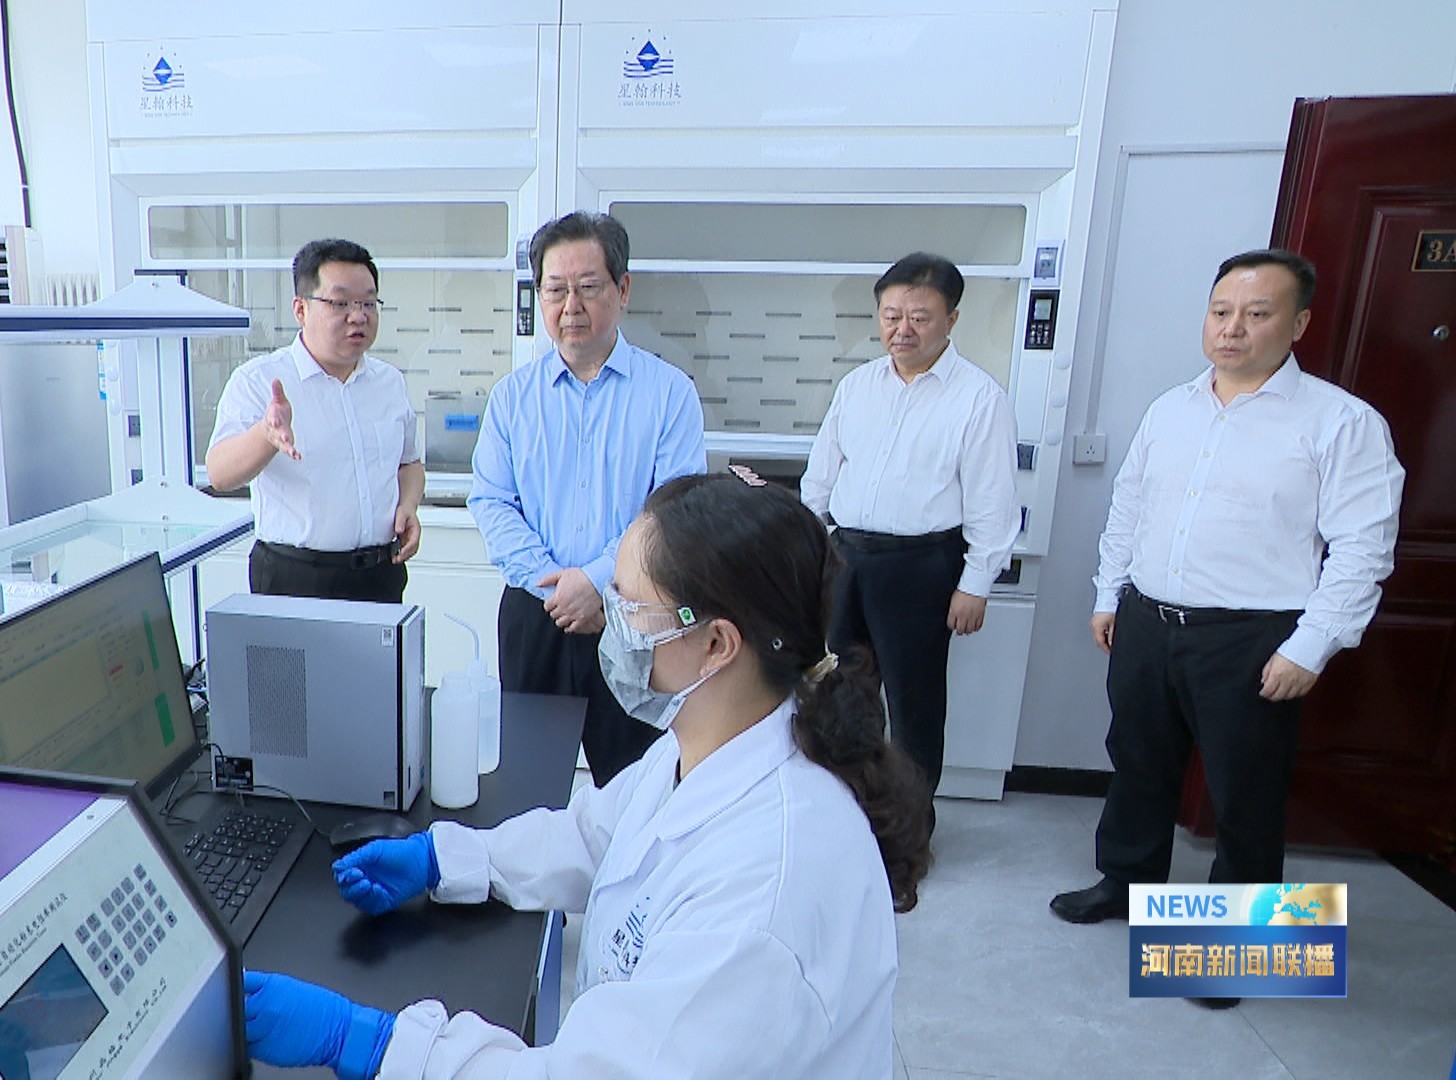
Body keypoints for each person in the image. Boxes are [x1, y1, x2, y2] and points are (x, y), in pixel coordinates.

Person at [241, 469, 933, 1078]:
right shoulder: (710, 742)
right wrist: (447, 857)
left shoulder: (764, 894)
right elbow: (595, 834)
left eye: (628, 605)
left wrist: (373, 1044)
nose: (610, 622)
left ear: (716, 643)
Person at [1050, 250, 1404, 1008]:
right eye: (1220, 312)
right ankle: (1125, 882)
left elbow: (1364, 549)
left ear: (1298, 324)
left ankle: (1233, 955)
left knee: (1246, 793)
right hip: (1148, 618)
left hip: (1253, 637)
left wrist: (1312, 646)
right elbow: (1130, 506)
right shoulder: (1170, 409)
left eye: (1256, 313)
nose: (1232, 328)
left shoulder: (1341, 423)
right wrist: (1109, 594)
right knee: (1138, 763)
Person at [469, 211, 706, 786]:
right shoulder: (512, 398)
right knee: (526, 784)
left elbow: (671, 511)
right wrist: (558, 588)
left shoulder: (669, 394)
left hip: (632, 614)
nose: (570, 306)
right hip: (535, 612)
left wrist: (598, 581)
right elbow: (492, 502)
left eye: (588, 287)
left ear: (622, 290)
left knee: (637, 786)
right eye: (555, 290)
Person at [799, 252, 1020, 804]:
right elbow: (821, 477)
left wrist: (975, 584)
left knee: (913, 703)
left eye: (919, 317)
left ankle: (911, 825)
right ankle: (844, 811)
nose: (902, 329)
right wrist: (812, 548)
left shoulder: (979, 398)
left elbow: (993, 503)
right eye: (891, 316)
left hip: (922, 566)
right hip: (846, 559)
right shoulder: (858, 386)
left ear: (952, 319)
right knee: (840, 693)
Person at [206, 238, 423, 603]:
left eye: (369, 303)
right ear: (301, 309)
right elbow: (219, 474)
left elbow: (409, 463)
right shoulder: (259, 380)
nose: (359, 316)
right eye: (340, 303)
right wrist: (266, 435)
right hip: (294, 577)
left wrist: (409, 505)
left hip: (380, 575)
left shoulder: (389, 383)